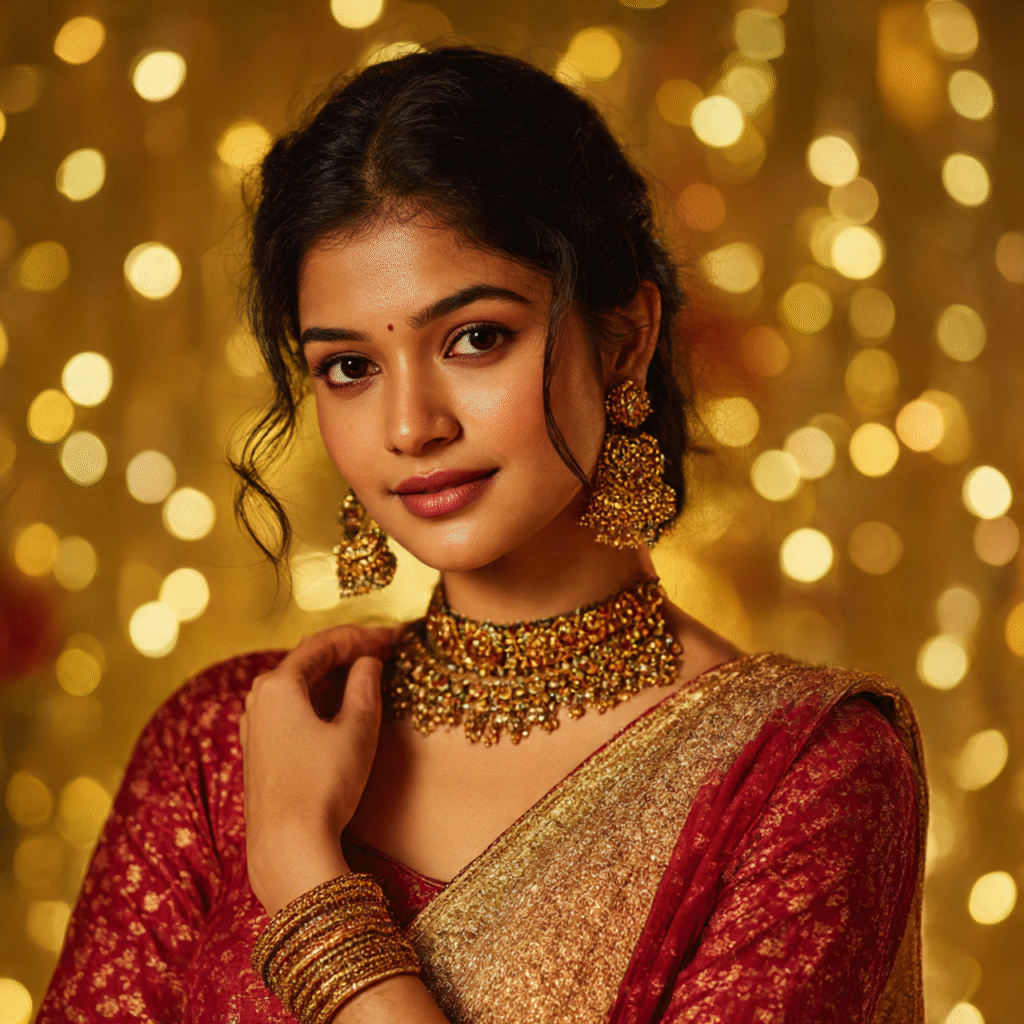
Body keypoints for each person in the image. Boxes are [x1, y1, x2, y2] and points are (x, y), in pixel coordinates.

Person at [38, 46, 926, 1024]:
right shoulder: (221, 750)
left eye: (473, 338)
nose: (411, 424)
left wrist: (302, 878)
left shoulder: (800, 774)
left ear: (623, 337)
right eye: (348, 367)